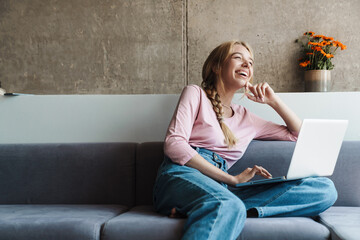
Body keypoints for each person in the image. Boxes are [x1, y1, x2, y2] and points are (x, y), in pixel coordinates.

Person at [153, 40, 337, 240]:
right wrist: (231, 179)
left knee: (324, 189)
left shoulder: (246, 117)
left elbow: (297, 135)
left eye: (250, 62)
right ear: (216, 66)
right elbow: (174, 145)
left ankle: (216, 211)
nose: (247, 65)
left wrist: (274, 101)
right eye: (238, 58)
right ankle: (223, 208)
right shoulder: (195, 94)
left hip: (222, 189)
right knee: (227, 204)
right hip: (183, 176)